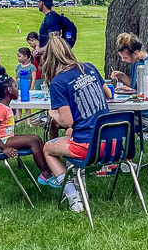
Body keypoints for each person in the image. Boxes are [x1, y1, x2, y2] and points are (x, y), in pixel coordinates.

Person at [41, 36, 112, 213]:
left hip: (88, 147)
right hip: (111, 144)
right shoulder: (89, 67)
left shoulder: (58, 82)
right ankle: (81, 187)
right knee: (68, 135)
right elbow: (108, 94)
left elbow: (67, 121)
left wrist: (53, 114)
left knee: (48, 148)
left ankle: (73, 196)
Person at [0, 74, 53, 186]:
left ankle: (49, 168)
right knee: (32, 141)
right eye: (16, 87)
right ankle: (46, 174)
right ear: (10, 90)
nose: (18, 90)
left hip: (4, 139)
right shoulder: (0, 109)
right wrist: (4, 148)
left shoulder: (5, 106)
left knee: (36, 138)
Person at [15, 47, 37, 124]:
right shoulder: (18, 67)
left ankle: (28, 121)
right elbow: (16, 77)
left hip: (27, 88)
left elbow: (33, 79)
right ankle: (18, 120)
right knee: (18, 105)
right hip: (19, 88)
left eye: (19, 56)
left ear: (25, 56)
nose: (18, 58)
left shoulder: (31, 67)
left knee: (27, 105)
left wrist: (31, 89)